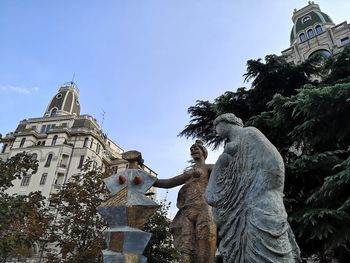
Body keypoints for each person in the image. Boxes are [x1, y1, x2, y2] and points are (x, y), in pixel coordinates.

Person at [206, 113, 300, 263]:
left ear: (226, 123)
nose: (216, 130)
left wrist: (260, 190)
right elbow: (213, 194)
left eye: (217, 126)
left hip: (260, 202)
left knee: (270, 248)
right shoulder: (231, 149)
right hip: (244, 209)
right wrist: (222, 162)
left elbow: (275, 164)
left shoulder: (249, 133)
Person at [153, 140, 217, 263]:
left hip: (204, 208)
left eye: (196, 148)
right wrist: (148, 179)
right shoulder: (188, 174)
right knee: (186, 248)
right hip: (187, 211)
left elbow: (225, 175)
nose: (193, 150)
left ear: (203, 152)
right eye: (191, 149)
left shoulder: (209, 168)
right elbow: (167, 183)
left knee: (206, 244)